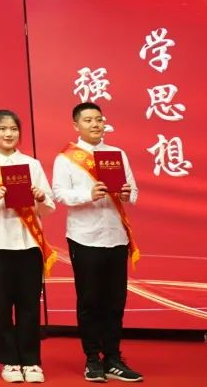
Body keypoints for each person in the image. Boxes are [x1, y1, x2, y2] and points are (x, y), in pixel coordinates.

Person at [52, 102, 142, 383]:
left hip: (115, 236)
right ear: (76, 125)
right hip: (84, 237)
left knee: (115, 301)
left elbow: (133, 190)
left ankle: (113, 357)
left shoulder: (117, 154)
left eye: (99, 120)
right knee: (89, 300)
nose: (95, 124)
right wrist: (87, 194)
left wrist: (126, 194)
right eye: (88, 120)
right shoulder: (66, 158)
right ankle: (92, 358)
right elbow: (59, 194)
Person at [0, 110, 56, 384]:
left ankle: (31, 360)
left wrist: (40, 196)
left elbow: (49, 207)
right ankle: (9, 361)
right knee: (1, 306)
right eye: (2, 129)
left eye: (13, 129)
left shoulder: (32, 165)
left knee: (29, 305)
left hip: (29, 245)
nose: (8, 134)